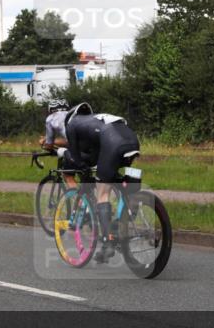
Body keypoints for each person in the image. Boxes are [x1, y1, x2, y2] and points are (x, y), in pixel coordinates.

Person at [61, 102, 141, 261]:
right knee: (118, 180)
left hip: (112, 141)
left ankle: (108, 241)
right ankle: (122, 218)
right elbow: (97, 154)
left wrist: (67, 157)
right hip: (131, 139)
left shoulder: (71, 125)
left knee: (102, 192)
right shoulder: (95, 120)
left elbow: (77, 159)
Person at [40, 98, 76, 189]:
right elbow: (69, 142)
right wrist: (56, 141)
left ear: (50, 109)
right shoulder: (74, 115)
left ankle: (79, 201)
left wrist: (45, 142)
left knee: (67, 175)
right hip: (90, 144)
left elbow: (49, 145)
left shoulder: (51, 118)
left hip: (76, 148)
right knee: (84, 172)